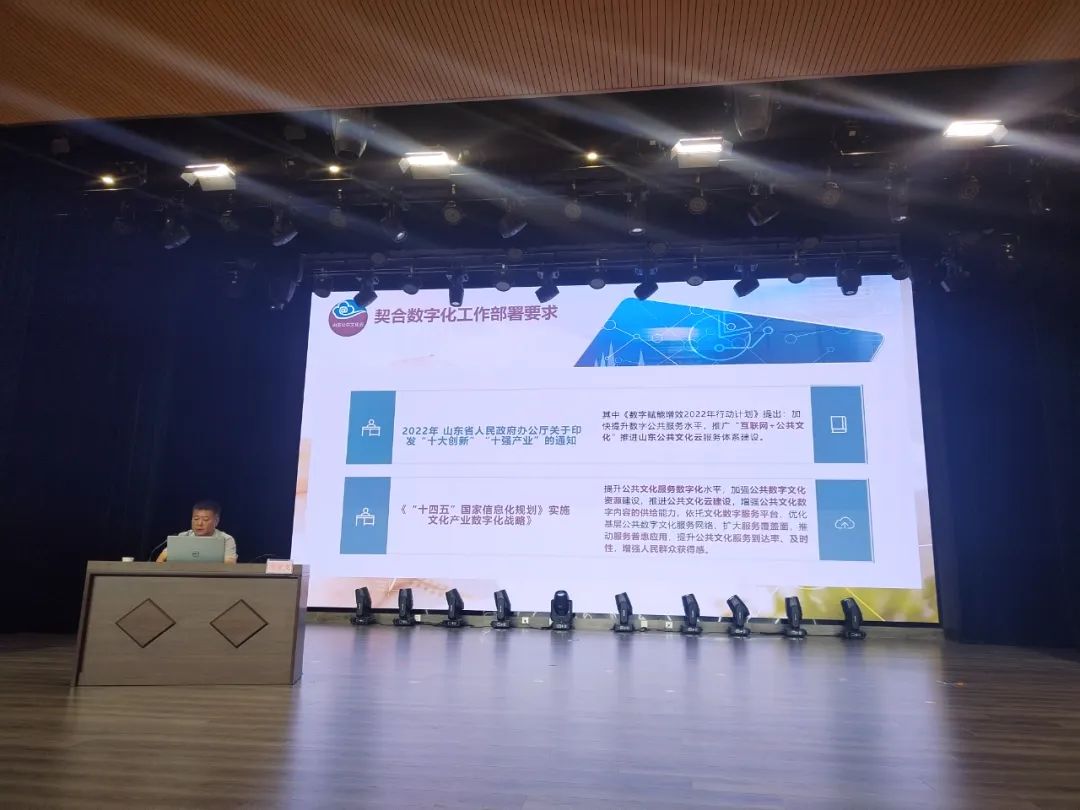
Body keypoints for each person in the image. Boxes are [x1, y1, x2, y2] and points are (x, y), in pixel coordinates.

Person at [157, 500, 238, 563]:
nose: (199, 523)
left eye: (205, 519)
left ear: (216, 521)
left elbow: (229, 565)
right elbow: (161, 558)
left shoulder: (226, 539)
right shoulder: (183, 537)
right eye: (196, 519)